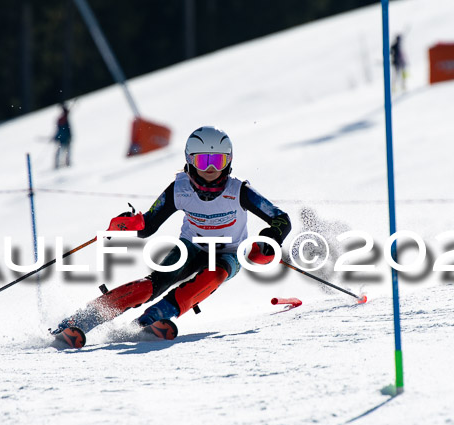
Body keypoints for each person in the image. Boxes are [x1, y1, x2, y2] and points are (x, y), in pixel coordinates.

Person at [52, 126, 292, 348]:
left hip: (229, 252)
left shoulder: (239, 191)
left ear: (228, 161)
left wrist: (269, 240)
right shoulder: (179, 189)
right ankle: (80, 320)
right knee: (150, 285)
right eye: (203, 160)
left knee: (214, 275)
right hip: (192, 247)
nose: (210, 168)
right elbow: (149, 224)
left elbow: (281, 219)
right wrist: (130, 223)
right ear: (190, 161)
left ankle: (150, 321)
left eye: (218, 160)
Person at [53, 102, 72, 169]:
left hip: (65, 137)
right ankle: (61, 163)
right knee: (64, 150)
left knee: (64, 150)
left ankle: (63, 163)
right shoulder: (62, 119)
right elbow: (61, 130)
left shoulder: (62, 119)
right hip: (65, 138)